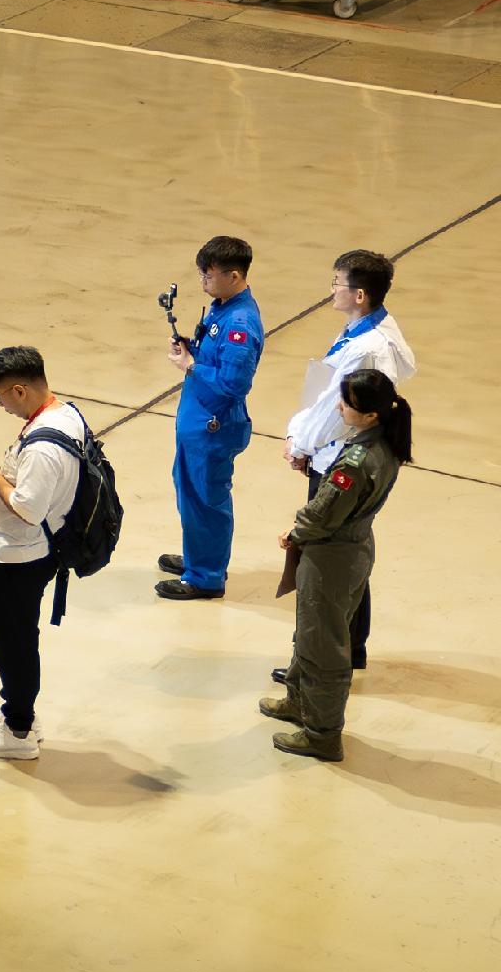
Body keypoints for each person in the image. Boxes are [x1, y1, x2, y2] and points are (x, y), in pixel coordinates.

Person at [0, 347, 85, 763]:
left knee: (13, 637)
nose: (0, 403)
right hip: (34, 548)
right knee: (12, 632)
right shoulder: (67, 415)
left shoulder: (43, 447)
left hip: (21, 555)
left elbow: (27, 509)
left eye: (0, 396)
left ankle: (19, 730)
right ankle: (16, 711)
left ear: (20, 390)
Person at [265, 366, 406, 763]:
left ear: (370, 414)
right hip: (352, 547)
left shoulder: (357, 461)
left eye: (348, 403)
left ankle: (323, 734)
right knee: (311, 630)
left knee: (323, 645)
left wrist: (295, 533)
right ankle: (298, 701)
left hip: (332, 554)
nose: (340, 407)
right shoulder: (382, 442)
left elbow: (324, 512)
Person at [281, 248, 411, 679]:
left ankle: (330, 656)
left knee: (331, 561)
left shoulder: (366, 349)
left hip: (336, 459)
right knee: (347, 555)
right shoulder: (373, 328)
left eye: (336, 283)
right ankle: (350, 648)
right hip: (337, 451)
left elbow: (334, 408)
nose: (332, 290)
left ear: (358, 294)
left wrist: (301, 443)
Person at [160, 233, 261, 600]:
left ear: (234, 275)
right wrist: (194, 350)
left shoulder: (240, 324)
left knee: (207, 498)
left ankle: (205, 576)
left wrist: (191, 366)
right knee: (189, 491)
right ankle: (198, 557)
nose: (203, 278)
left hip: (214, 425)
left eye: (210, 272)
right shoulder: (222, 305)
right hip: (198, 420)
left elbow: (234, 384)